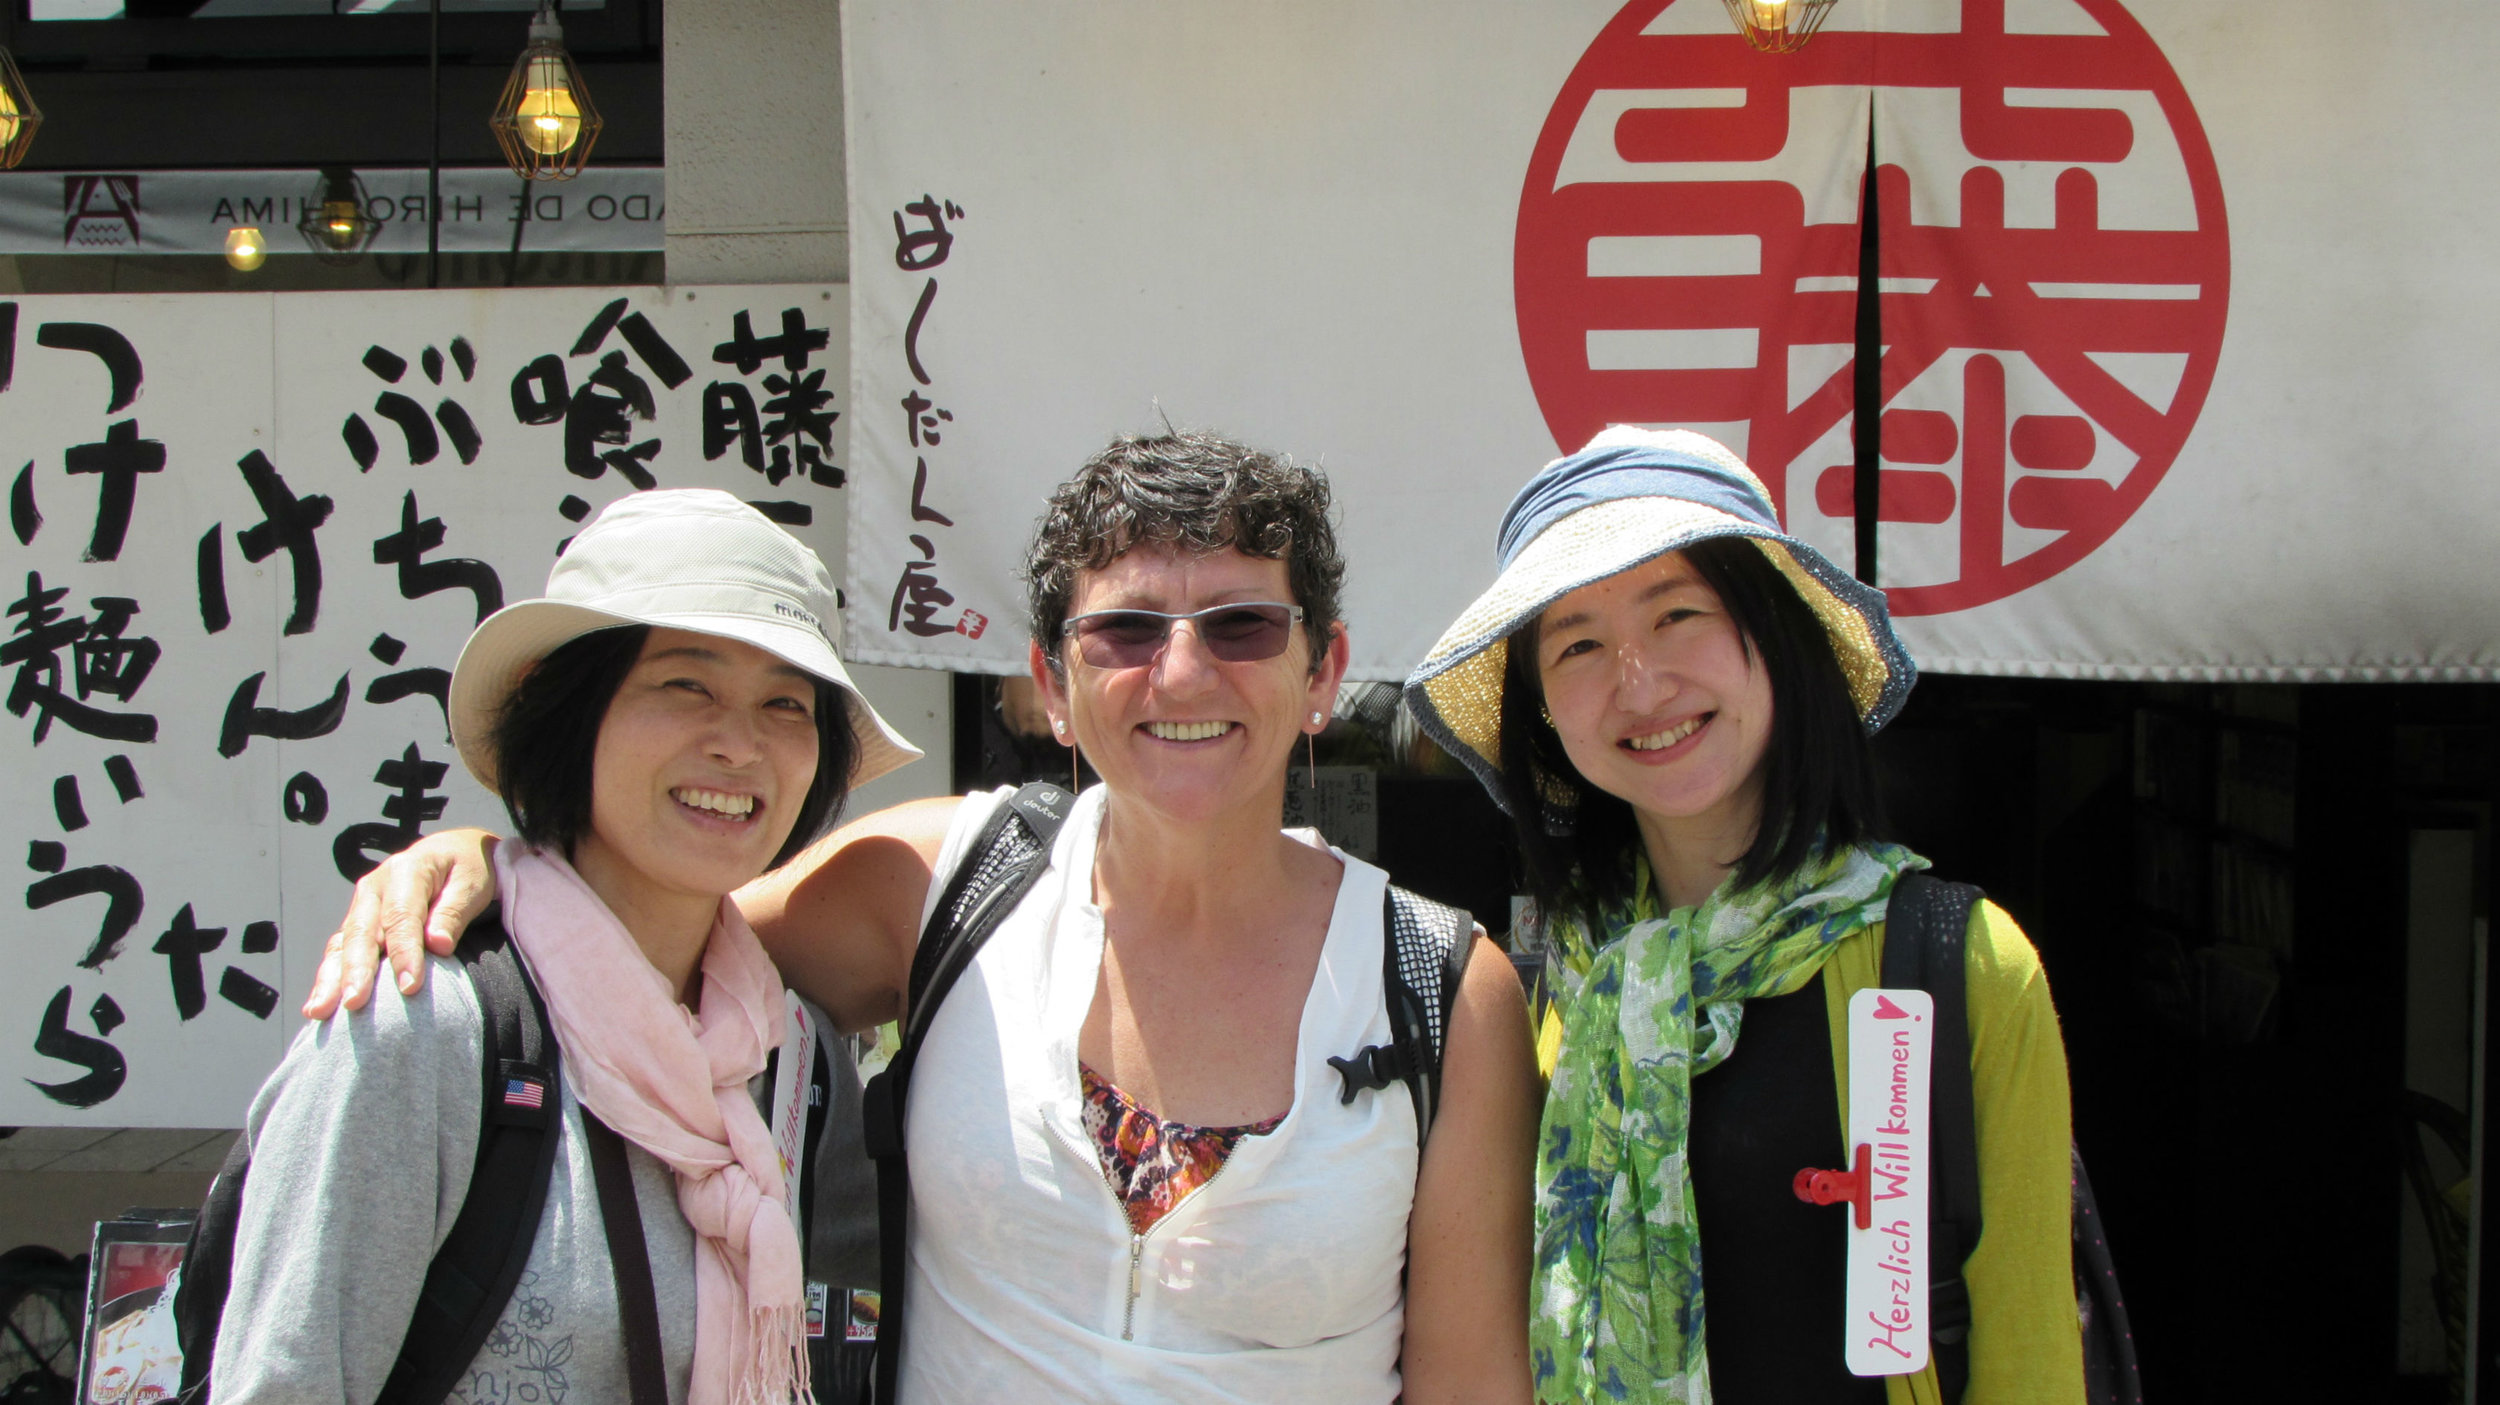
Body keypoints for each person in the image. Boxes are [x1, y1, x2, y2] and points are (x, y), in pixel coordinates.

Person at [303, 432, 1543, 1404]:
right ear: (1049, 687)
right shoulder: (941, 879)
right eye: (1121, 629)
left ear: (1321, 671)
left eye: (1240, 626)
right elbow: (641, 937)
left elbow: (1470, 1384)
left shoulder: (1436, 984)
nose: (1178, 672)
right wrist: (491, 858)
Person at [1403, 427, 2085, 1404]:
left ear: (1776, 635)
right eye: (1580, 643)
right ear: (1543, 710)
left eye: (1678, 614)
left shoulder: (1960, 963)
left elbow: (2032, 1364)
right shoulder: (1576, 986)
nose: (1639, 682)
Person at [212, 490, 922, 1405]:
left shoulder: (789, 1060)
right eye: (685, 684)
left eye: (785, 703)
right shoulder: (421, 1037)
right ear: (573, 712)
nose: (740, 744)